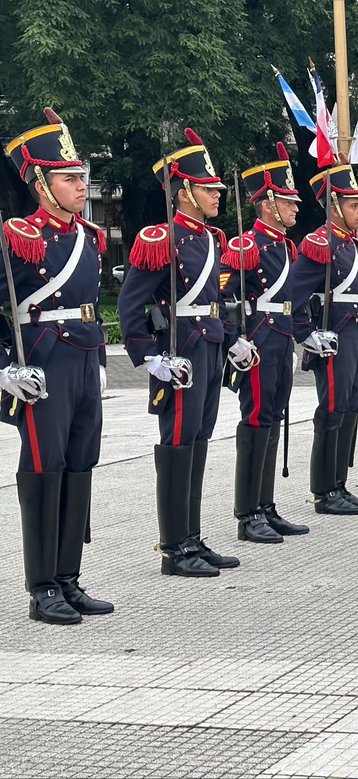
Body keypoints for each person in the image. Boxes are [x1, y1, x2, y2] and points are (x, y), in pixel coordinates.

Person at [2, 110, 113, 623]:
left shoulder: (88, 236)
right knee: (44, 468)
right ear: (41, 184)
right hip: (43, 362)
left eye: (80, 177)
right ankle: (42, 585)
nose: (79, 186)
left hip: (86, 359)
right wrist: (5, 366)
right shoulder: (19, 235)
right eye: (69, 178)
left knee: (79, 464)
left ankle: (69, 577)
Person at [119, 128, 244, 575]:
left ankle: (192, 536)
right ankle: (174, 548)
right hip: (179, 353)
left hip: (208, 348)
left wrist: (232, 338)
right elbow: (131, 305)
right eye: (210, 189)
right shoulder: (161, 238)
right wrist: (150, 356)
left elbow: (214, 302)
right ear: (185, 191)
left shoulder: (211, 239)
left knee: (198, 441)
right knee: (176, 442)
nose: (218, 196)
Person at [221, 146, 311, 541]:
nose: (296, 207)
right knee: (256, 419)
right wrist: (234, 339)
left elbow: (294, 298)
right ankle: (247, 514)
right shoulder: (246, 246)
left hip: (281, 339)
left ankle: (266, 505)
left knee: (274, 418)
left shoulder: (286, 246)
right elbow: (224, 297)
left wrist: (302, 334)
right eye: (289, 200)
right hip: (258, 340)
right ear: (269, 203)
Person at [291, 162, 358, 510]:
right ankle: (324, 490)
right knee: (331, 411)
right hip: (335, 339)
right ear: (334, 207)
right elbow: (294, 294)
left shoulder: (349, 243)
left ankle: (339, 484)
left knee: (350, 409)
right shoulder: (320, 243)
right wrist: (307, 334)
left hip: (356, 337)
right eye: (354, 205)